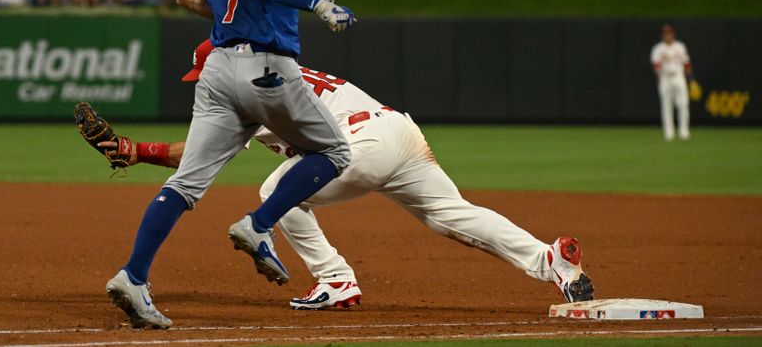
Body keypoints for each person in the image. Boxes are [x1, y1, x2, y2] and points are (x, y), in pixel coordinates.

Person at [100, 39, 595, 312]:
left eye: (203, 74)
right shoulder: (274, 72)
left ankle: (335, 279)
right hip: (396, 131)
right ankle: (551, 261)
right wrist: (137, 151)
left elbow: (198, 156)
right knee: (452, 214)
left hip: (361, 143)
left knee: (279, 191)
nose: (202, 84)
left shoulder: (247, 89)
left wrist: (139, 151)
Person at [105, 0, 356, 329]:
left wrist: (228, 21)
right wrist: (318, 3)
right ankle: (258, 225)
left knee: (184, 184)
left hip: (217, 69)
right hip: (265, 67)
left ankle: (133, 277)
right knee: (335, 152)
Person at [650, 24, 693, 141]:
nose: (668, 36)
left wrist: (691, 81)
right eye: (666, 34)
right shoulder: (658, 48)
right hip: (665, 78)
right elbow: (656, 65)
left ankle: (684, 131)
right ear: (662, 36)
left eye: (669, 34)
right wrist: (659, 79)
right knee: (666, 106)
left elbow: (687, 64)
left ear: (673, 34)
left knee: (683, 104)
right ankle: (669, 133)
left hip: (679, 76)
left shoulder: (680, 47)